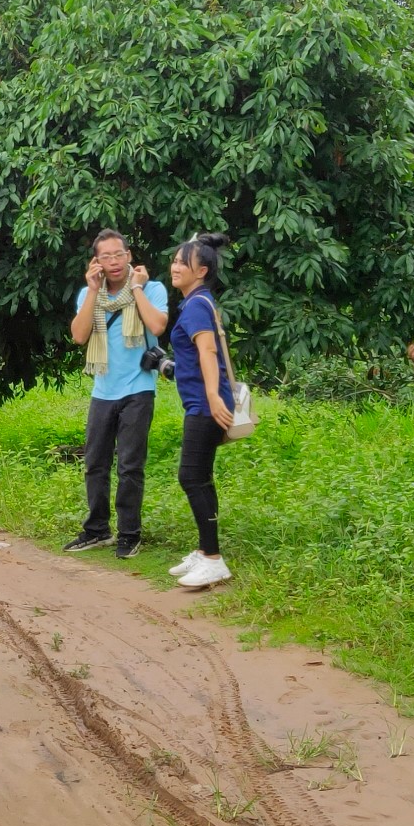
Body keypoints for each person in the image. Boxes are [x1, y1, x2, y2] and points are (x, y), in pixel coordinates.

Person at [63, 229, 169, 560]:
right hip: (103, 389)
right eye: (106, 256)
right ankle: (97, 530)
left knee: (129, 465)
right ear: (96, 262)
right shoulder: (88, 294)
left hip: (139, 388)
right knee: (94, 463)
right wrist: (93, 290)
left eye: (118, 254)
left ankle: (130, 533)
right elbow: (79, 336)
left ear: (129, 255)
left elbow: (157, 326)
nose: (113, 262)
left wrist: (136, 288)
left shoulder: (151, 288)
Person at [165, 233, 236, 590]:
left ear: (202, 271)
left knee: (190, 477)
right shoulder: (199, 302)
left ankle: (212, 558)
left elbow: (208, 353)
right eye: (175, 260)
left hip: (205, 406)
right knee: (201, 477)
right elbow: (195, 358)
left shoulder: (196, 305)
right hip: (204, 402)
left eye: (183, 262)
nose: (175, 266)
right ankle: (205, 551)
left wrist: (212, 397)